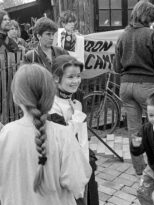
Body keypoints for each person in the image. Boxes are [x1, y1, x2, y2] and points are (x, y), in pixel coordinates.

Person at [0, 63, 91, 205]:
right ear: (50, 96)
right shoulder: (63, 135)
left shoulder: (5, 133)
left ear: (16, 97)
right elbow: (77, 184)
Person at [113, 1, 154, 175]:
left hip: (125, 87)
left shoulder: (122, 36)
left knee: (134, 130)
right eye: (151, 19)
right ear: (147, 17)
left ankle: (140, 169)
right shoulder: (152, 35)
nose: (152, 23)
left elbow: (116, 68)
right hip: (146, 86)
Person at [50, 55, 98, 205]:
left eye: (78, 76)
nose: (76, 81)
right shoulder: (51, 105)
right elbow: (61, 138)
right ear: (56, 78)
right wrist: (77, 115)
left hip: (82, 161)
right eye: (70, 77)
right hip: (67, 168)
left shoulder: (76, 97)